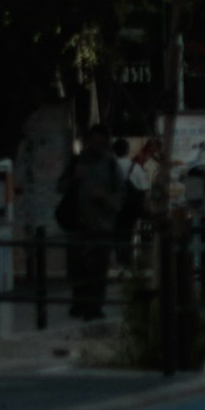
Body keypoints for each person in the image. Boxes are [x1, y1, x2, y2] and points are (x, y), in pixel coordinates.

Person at [56, 127, 130, 322]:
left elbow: (121, 197)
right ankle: (80, 303)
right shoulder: (76, 162)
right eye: (93, 141)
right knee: (77, 266)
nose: (96, 146)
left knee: (98, 267)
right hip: (77, 224)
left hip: (102, 225)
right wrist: (74, 179)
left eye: (101, 142)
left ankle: (94, 306)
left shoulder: (111, 165)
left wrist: (104, 197)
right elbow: (60, 186)